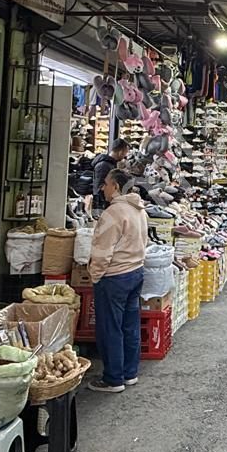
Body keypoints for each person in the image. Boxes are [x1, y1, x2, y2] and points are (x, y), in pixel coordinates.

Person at [87, 168, 147, 393]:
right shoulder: (139, 210)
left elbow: (103, 252)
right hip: (136, 272)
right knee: (130, 325)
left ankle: (113, 378)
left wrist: (95, 275)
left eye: (106, 183)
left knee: (110, 327)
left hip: (114, 277)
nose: (103, 188)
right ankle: (130, 372)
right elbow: (144, 241)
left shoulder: (113, 213)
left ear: (115, 186)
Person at [90, 138, 130, 210]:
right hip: (104, 205)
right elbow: (98, 189)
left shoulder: (111, 164)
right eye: (125, 153)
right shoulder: (104, 166)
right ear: (120, 152)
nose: (125, 156)